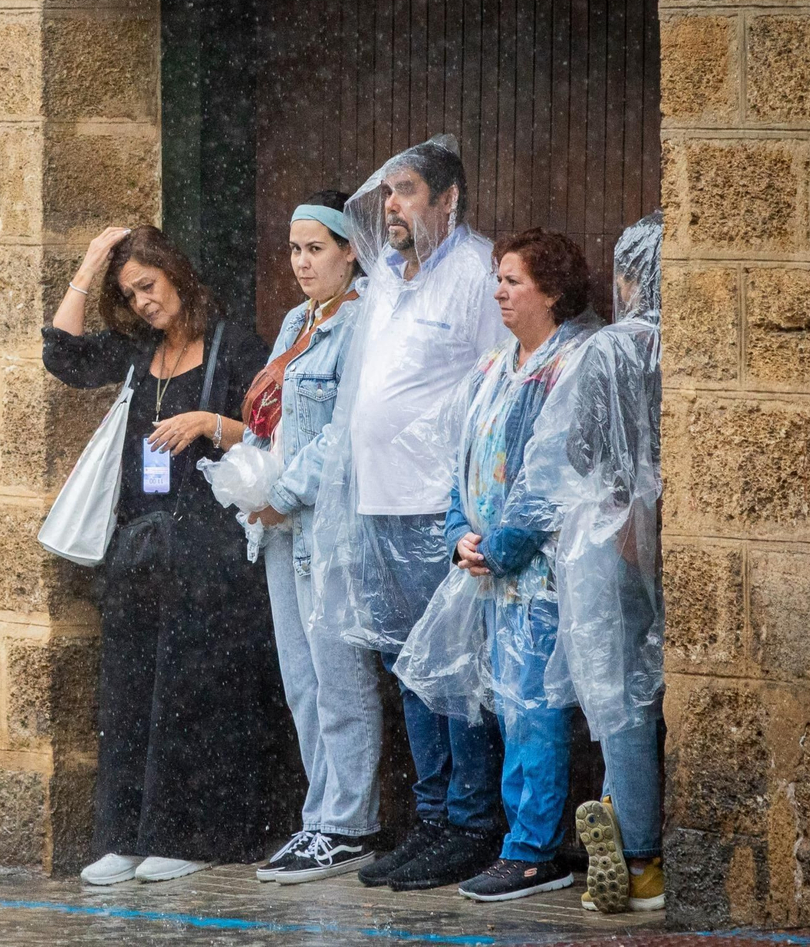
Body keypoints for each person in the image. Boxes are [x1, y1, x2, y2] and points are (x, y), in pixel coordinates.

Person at [44, 225, 290, 886]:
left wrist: (208, 423)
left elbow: (277, 432)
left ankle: (195, 833)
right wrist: (94, 258)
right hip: (141, 544)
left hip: (209, 549)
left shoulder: (233, 346)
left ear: (177, 275)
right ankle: (127, 834)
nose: (144, 303)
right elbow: (62, 355)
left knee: (197, 693)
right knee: (130, 694)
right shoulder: (135, 349)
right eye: (130, 294)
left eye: (148, 286)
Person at [308, 135, 508, 892]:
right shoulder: (387, 278)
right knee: (408, 669)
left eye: (408, 193)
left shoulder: (474, 272)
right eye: (386, 194)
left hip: (438, 511)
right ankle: (430, 819)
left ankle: (472, 822)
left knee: (455, 672)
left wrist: (477, 511)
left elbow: (497, 390)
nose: (391, 207)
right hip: (378, 508)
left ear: (448, 199)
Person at [393, 228, 595, 902]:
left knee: (535, 710)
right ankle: (518, 838)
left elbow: (552, 478)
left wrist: (504, 545)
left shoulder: (571, 367)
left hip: (538, 578)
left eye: (514, 281)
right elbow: (461, 467)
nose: (500, 292)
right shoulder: (490, 370)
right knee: (507, 709)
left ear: (553, 292)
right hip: (487, 575)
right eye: (498, 279)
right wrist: (460, 536)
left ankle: (535, 849)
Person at [241, 192, 383, 885]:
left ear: (350, 249)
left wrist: (282, 492)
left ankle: (350, 824)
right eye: (294, 249)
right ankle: (319, 815)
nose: (300, 262)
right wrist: (246, 481)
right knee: (303, 682)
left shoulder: (362, 323)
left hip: (326, 531)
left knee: (339, 678)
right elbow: (271, 421)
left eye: (315, 248)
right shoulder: (300, 320)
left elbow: (345, 432)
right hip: (278, 529)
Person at [525, 213, 665, 913]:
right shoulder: (689, 347)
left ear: (631, 273)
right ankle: (673, 835)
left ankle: (640, 858)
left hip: (615, 547)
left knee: (624, 700)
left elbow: (578, 453)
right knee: (670, 690)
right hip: (682, 552)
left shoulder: (614, 348)